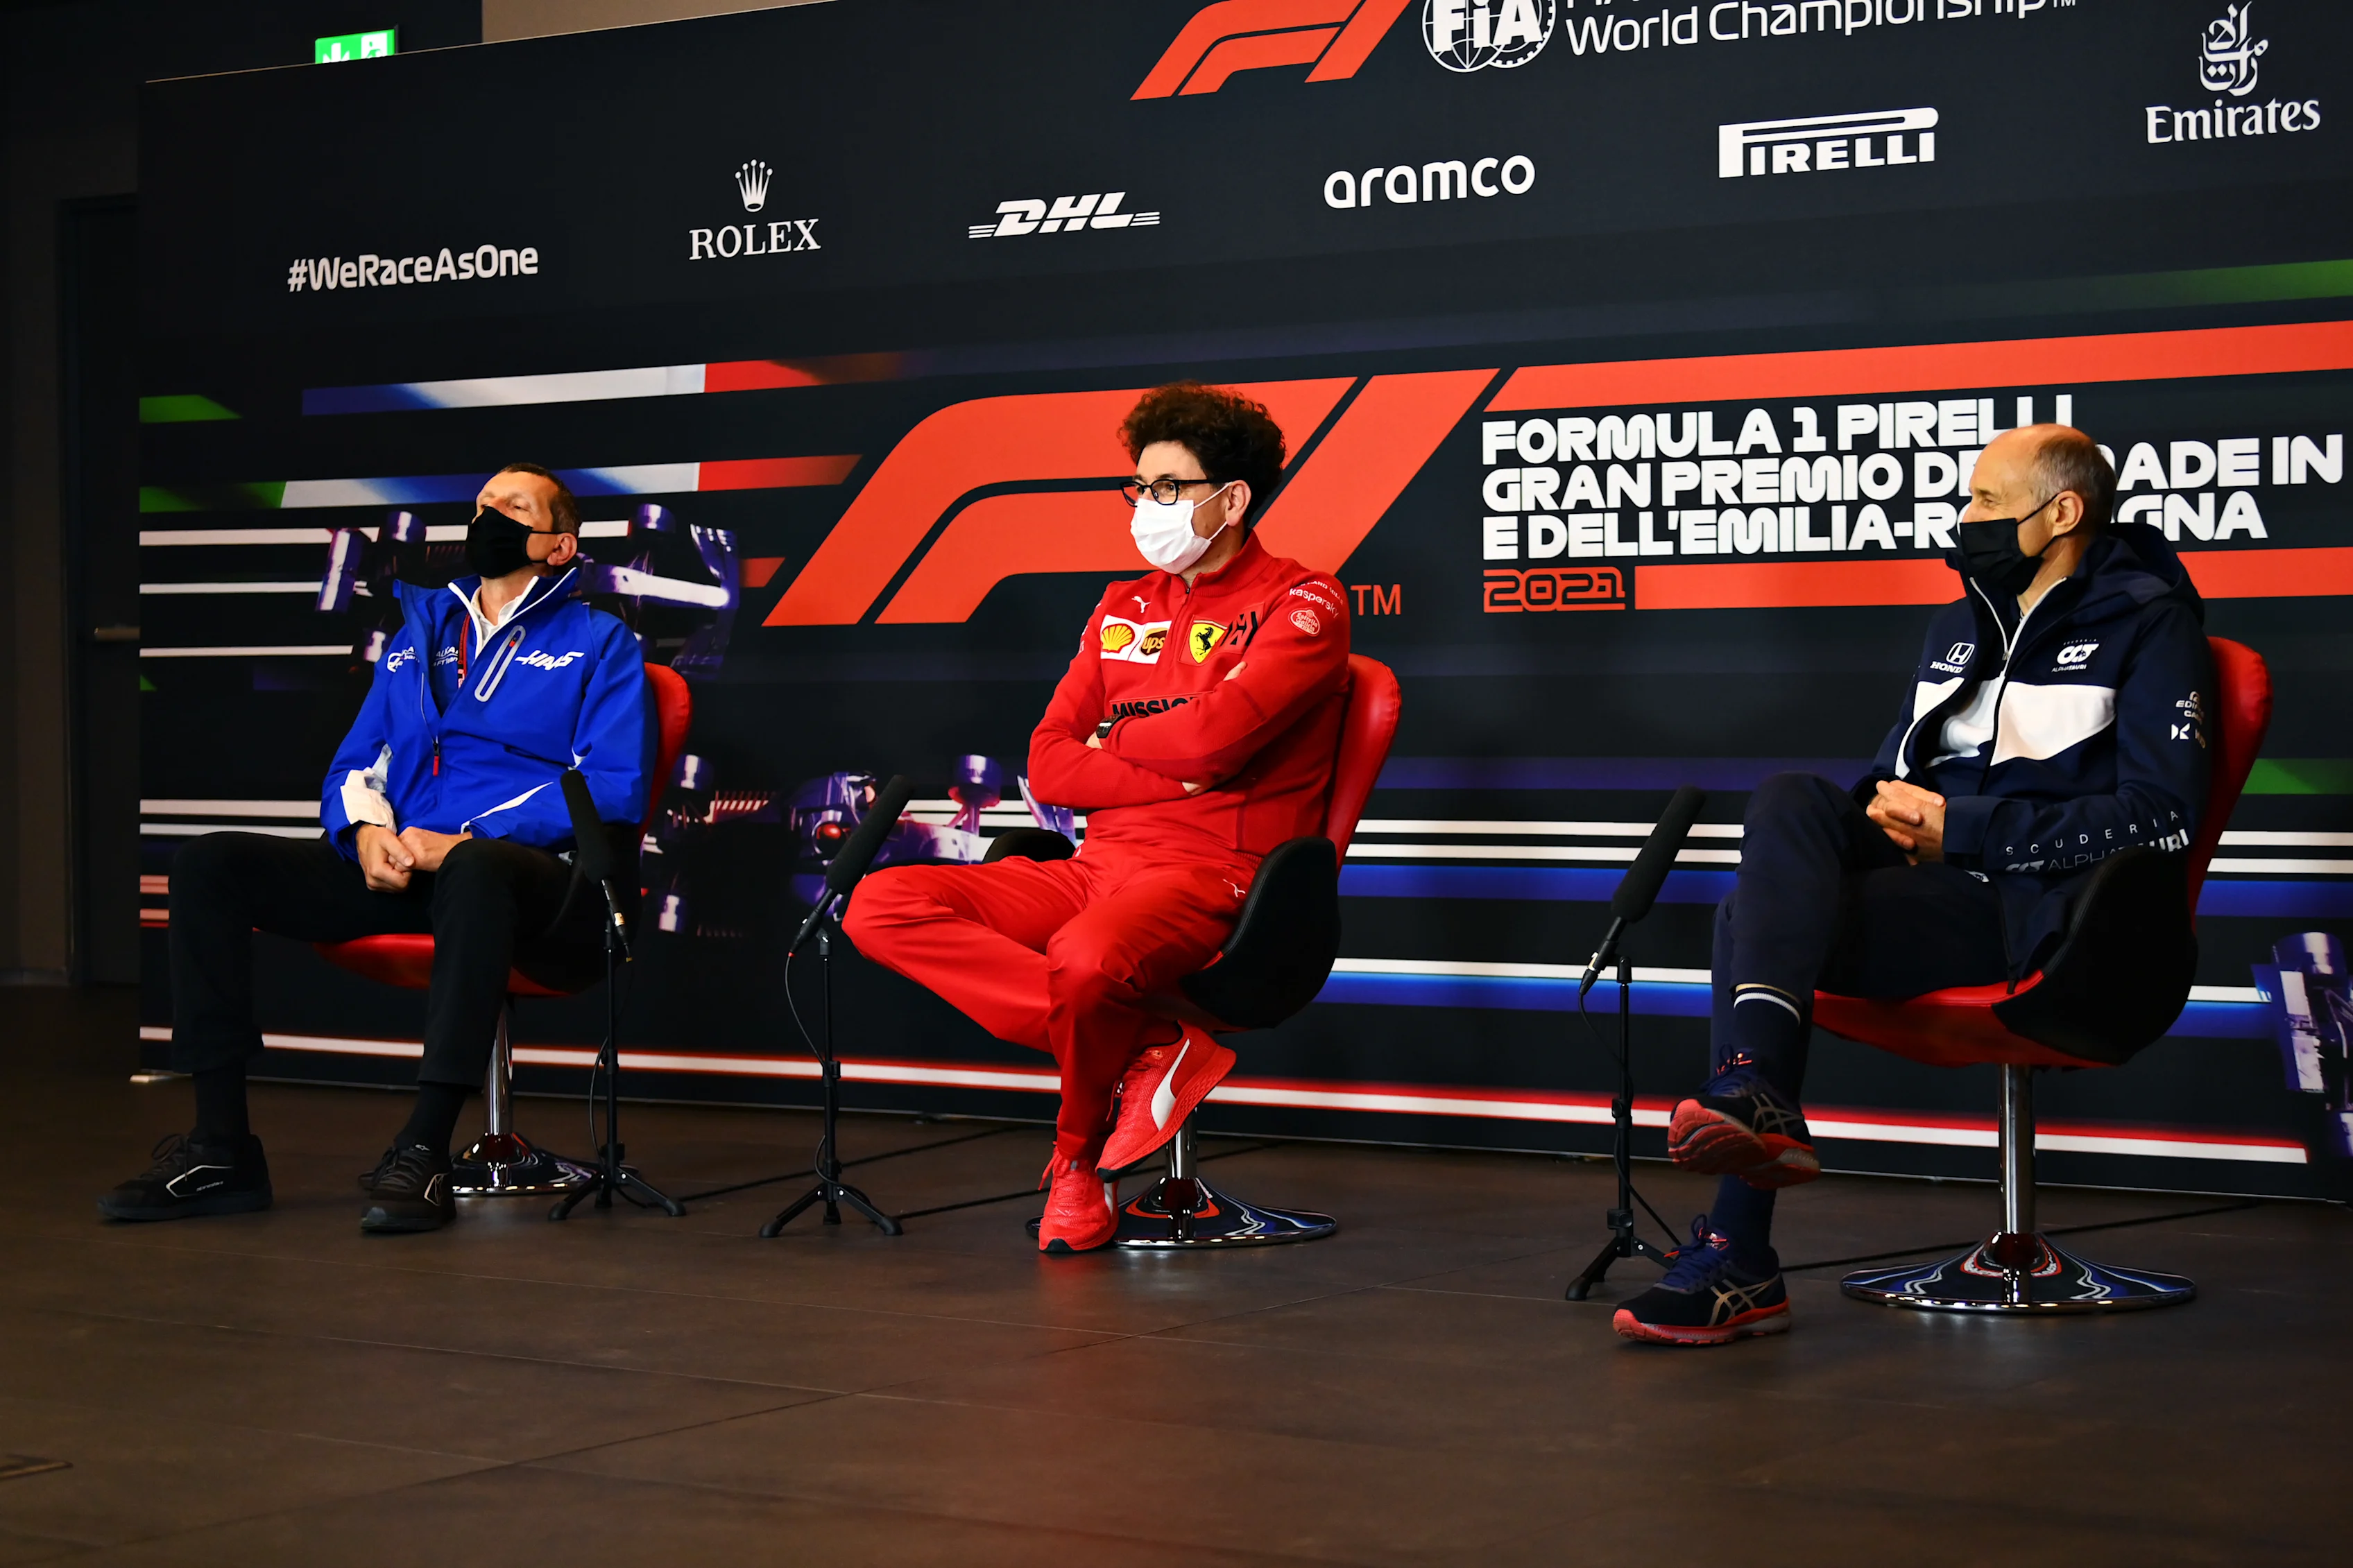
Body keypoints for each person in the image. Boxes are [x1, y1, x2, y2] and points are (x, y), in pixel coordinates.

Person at [1614, 425, 2213, 1345]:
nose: (1962, 517)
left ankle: (1740, 1254)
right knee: (1790, 801)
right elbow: (1901, 771)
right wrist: (1889, 817)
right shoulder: (1957, 625)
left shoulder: (2151, 619)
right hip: (1929, 882)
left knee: (1745, 917)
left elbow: (2162, 814)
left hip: (2039, 910)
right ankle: (1755, 1094)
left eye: (1981, 500)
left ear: (2063, 512)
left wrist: (1962, 829)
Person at [844, 383, 1353, 1253]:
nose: (1145, 505)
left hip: (1219, 874)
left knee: (1085, 957)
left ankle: (1075, 1164)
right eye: (1139, 487)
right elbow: (1050, 761)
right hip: (1097, 864)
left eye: (1166, 487)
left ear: (1230, 499)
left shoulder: (1305, 601)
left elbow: (1213, 744)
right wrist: (1170, 757)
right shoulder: (1122, 604)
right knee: (878, 902)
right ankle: (1155, 1045)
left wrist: (1119, 741)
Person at [101, 464, 652, 1234]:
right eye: (483, 503)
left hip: (534, 882)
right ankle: (220, 1148)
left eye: (514, 507)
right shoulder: (419, 632)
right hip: (406, 863)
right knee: (208, 864)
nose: (489, 514)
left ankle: (423, 1150)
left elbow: (608, 787)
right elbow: (359, 761)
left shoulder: (601, 640)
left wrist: (462, 838)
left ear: (559, 546)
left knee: (476, 864)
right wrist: (364, 832)